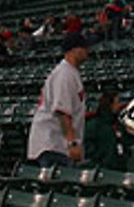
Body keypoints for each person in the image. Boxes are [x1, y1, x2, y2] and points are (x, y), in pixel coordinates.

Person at [27, 33, 89, 167]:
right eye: (84, 48)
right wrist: (72, 143)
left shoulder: (70, 72)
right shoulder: (64, 74)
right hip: (53, 145)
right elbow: (62, 113)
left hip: (56, 145)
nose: (87, 52)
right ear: (75, 50)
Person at [84, 91, 126, 171]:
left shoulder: (118, 124)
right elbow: (89, 146)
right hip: (101, 167)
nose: (118, 106)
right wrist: (99, 157)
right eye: (116, 103)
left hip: (119, 167)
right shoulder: (95, 125)